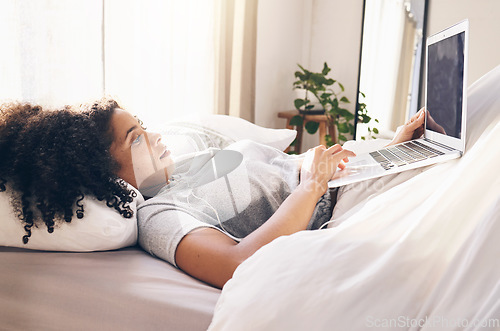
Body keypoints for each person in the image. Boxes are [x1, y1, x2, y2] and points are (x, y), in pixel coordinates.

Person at [0, 98, 426, 288]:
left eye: (143, 125)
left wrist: (390, 151)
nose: (154, 136)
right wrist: (314, 183)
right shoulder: (160, 216)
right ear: (102, 172)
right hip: (343, 202)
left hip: (353, 178)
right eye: (135, 139)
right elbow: (236, 264)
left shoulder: (181, 170)